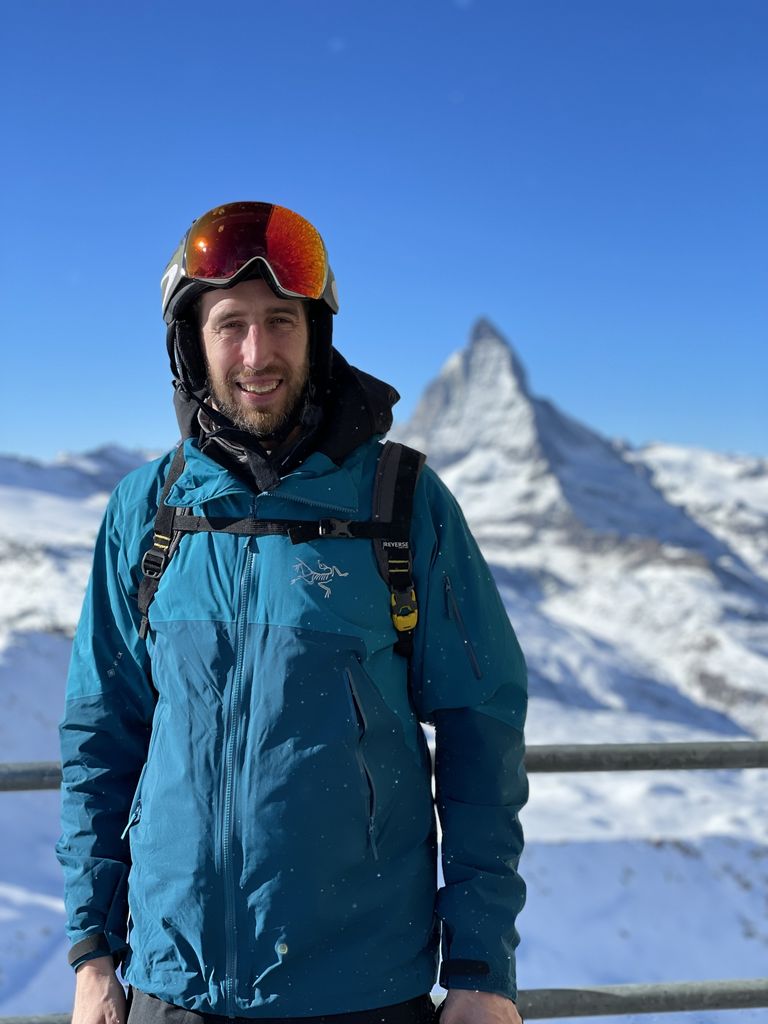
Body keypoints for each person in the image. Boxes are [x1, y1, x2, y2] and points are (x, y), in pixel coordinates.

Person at [57, 202, 528, 1024]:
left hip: (361, 991)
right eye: (230, 324)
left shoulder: (400, 503)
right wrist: (93, 952)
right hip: (175, 987)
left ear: (316, 333)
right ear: (191, 346)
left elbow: (480, 728)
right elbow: (102, 736)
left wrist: (483, 969)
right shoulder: (148, 512)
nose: (256, 353)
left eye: (281, 321)